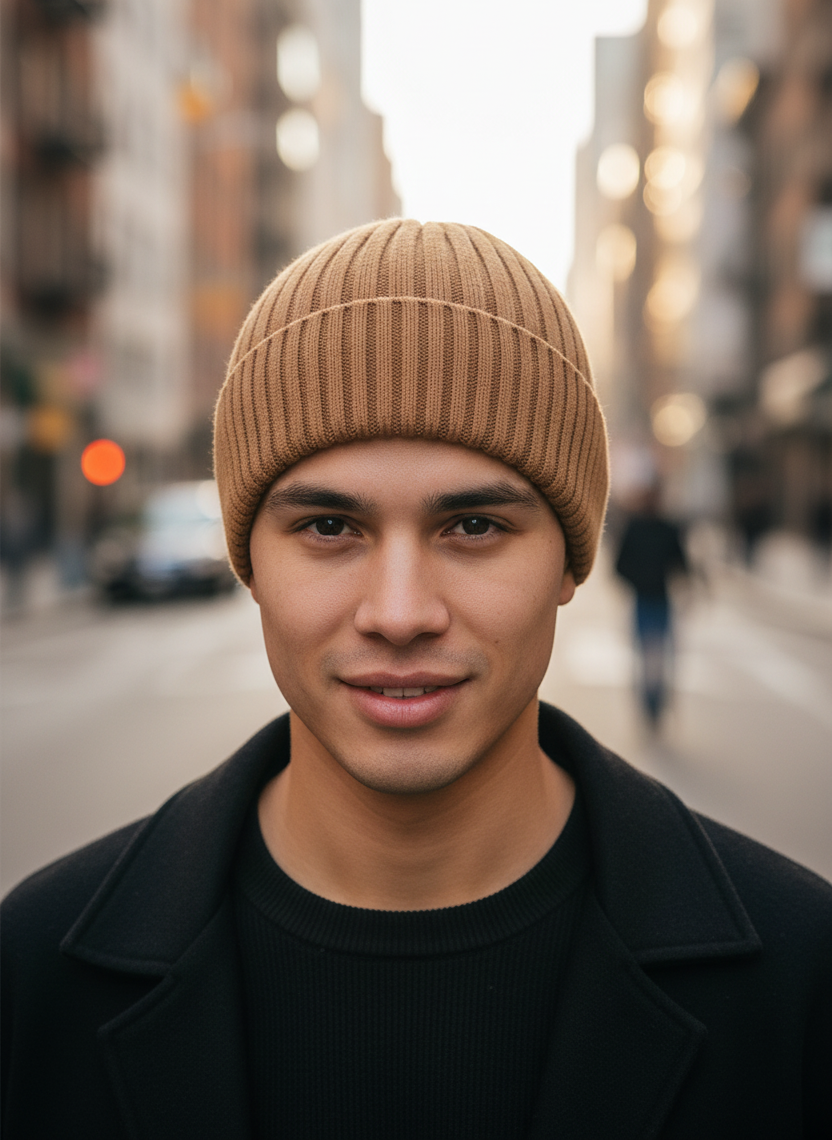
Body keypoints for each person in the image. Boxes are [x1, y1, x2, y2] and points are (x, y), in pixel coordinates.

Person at [2, 220, 831, 1139]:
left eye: (474, 526)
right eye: (328, 527)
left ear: (570, 561)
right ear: (249, 563)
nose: (399, 614)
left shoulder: (800, 981)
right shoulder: (35, 976)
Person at [614, 483, 688, 727]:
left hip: (661, 600)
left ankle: (657, 702)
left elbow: (681, 562)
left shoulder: (668, 529)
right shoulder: (634, 528)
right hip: (643, 600)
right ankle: (648, 703)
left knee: (660, 655)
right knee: (646, 655)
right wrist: (638, 581)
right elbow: (619, 566)